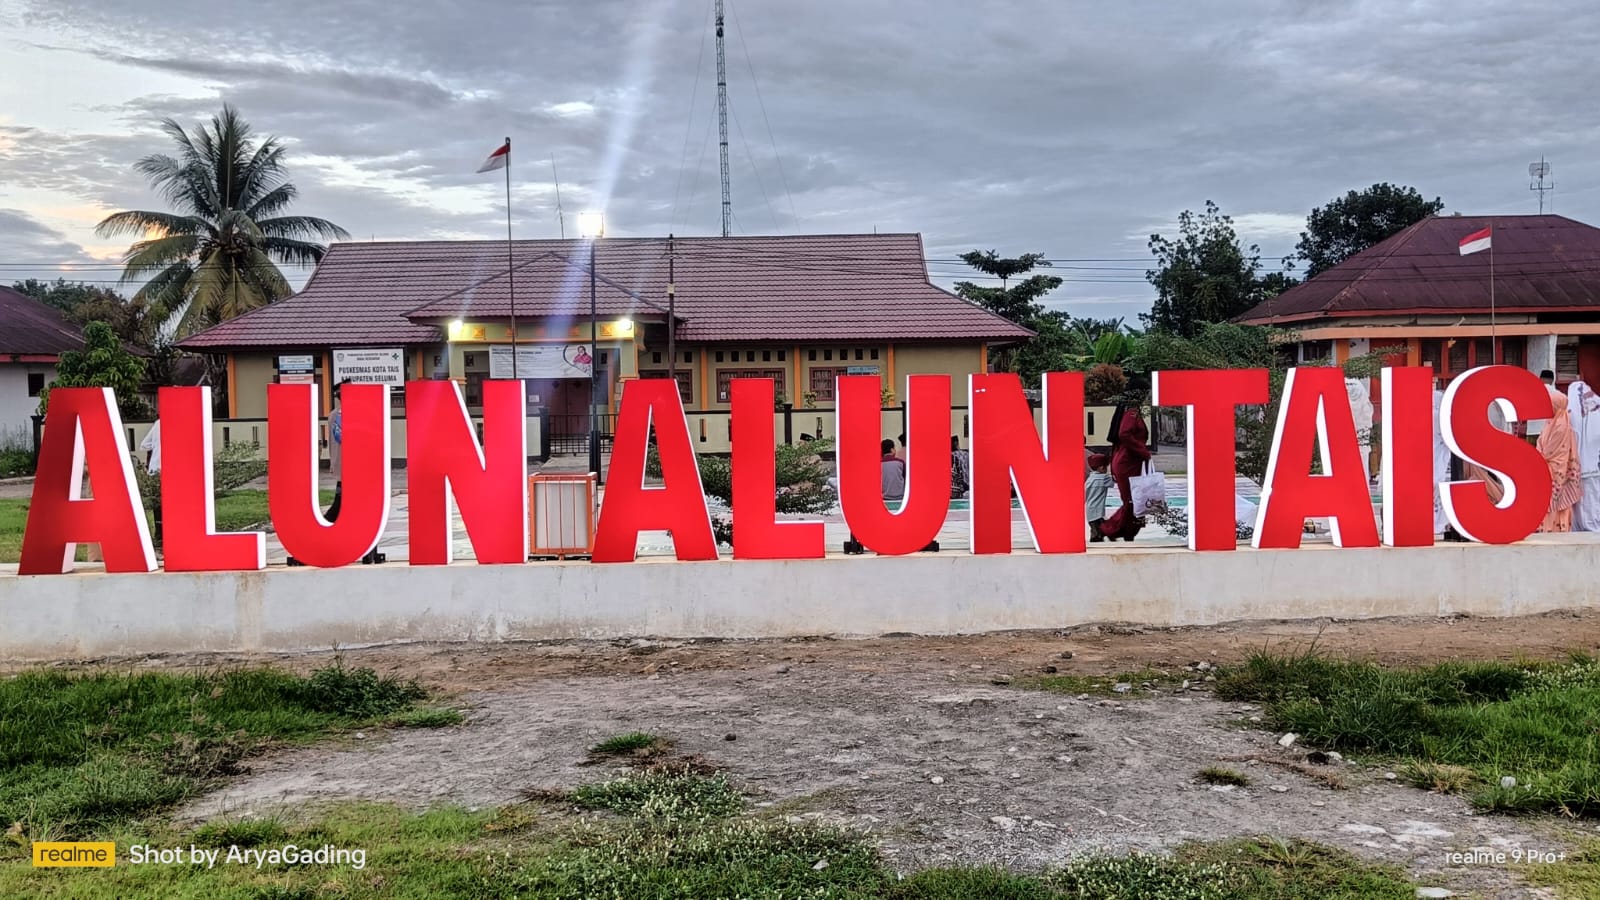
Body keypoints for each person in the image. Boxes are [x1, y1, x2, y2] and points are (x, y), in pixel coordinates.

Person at [1097, 401, 1151, 542]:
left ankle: (1126, 531)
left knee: (1133, 500)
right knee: (1132, 500)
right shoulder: (1132, 412)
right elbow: (1124, 434)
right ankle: (1108, 529)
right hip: (1127, 462)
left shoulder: (1131, 411)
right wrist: (1142, 450)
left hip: (1128, 460)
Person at [1538, 390, 1582, 533]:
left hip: (1555, 471)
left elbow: (1550, 451)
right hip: (1548, 468)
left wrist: (1538, 456)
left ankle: (1553, 531)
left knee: (1553, 503)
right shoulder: (1551, 420)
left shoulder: (1560, 425)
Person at [1567, 379, 1600, 530]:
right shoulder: (1597, 409)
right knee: (1592, 506)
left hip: (1575, 470)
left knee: (1577, 509)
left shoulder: (1570, 415)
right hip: (1594, 468)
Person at [1085, 452, 1113, 543]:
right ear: (1101, 467)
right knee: (1098, 534)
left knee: (1095, 530)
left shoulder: (1090, 479)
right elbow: (1115, 481)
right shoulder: (1104, 478)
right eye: (1106, 467)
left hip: (1090, 511)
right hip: (1098, 512)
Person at [880, 438, 906, 503]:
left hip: (884, 498)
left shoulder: (879, 464)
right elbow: (906, 479)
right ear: (892, 450)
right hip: (900, 498)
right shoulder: (901, 462)